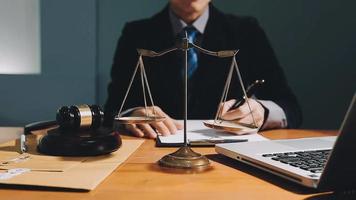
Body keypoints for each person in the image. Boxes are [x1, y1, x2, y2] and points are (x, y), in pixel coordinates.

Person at [103, 0, 302, 139]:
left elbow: (290, 108)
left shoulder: (246, 31)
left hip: (228, 160)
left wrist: (262, 112)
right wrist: (132, 114)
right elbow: (113, 108)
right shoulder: (137, 34)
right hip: (152, 153)